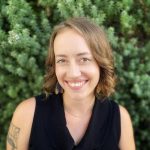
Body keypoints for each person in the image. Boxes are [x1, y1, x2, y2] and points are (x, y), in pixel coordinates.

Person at [6, 17, 135, 150]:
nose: (73, 73)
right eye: (62, 60)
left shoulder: (120, 118)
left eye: (84, 59)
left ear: (100, 63)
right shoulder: (27, 113)